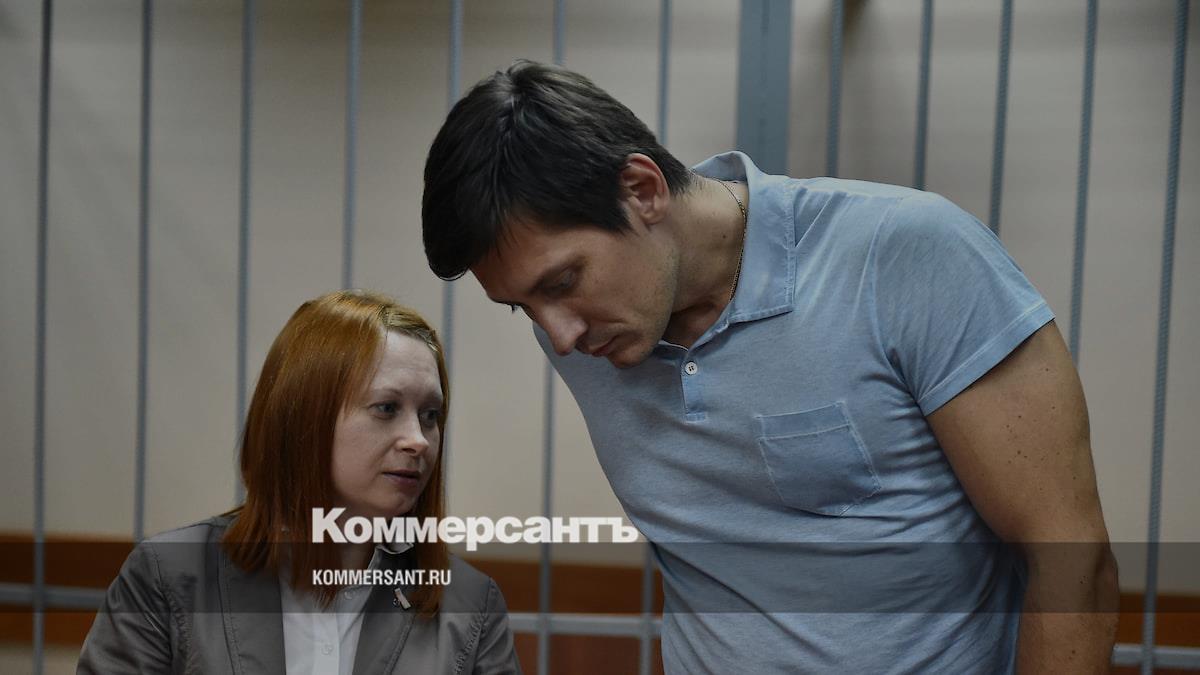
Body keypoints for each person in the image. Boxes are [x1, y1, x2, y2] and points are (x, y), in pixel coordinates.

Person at [421, 60, 1118, 673]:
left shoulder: (907, 252)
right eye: (521, 307)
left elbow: (1071, 559)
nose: (558, 335)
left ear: (641, 190)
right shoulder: (592, 329)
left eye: (562, 282)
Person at [78, 290, 521, 674]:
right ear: (304, 418)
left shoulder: (470, 605)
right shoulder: (168, 576)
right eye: (387, 408)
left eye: (430, 415)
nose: (418, 440)